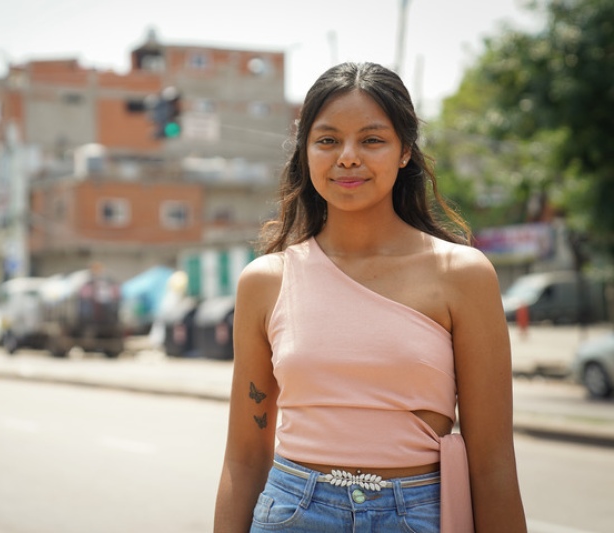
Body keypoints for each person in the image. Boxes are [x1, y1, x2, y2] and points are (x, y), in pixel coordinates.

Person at [213, 62, 527, 532]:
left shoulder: (462, 275)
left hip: (418, 515)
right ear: (305, 151)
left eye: (372, 140)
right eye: (327, 140)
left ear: (404, 152)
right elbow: (243, 458)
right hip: (292, 513)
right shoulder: (265, 281)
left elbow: (494, 464)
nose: (347, 157)